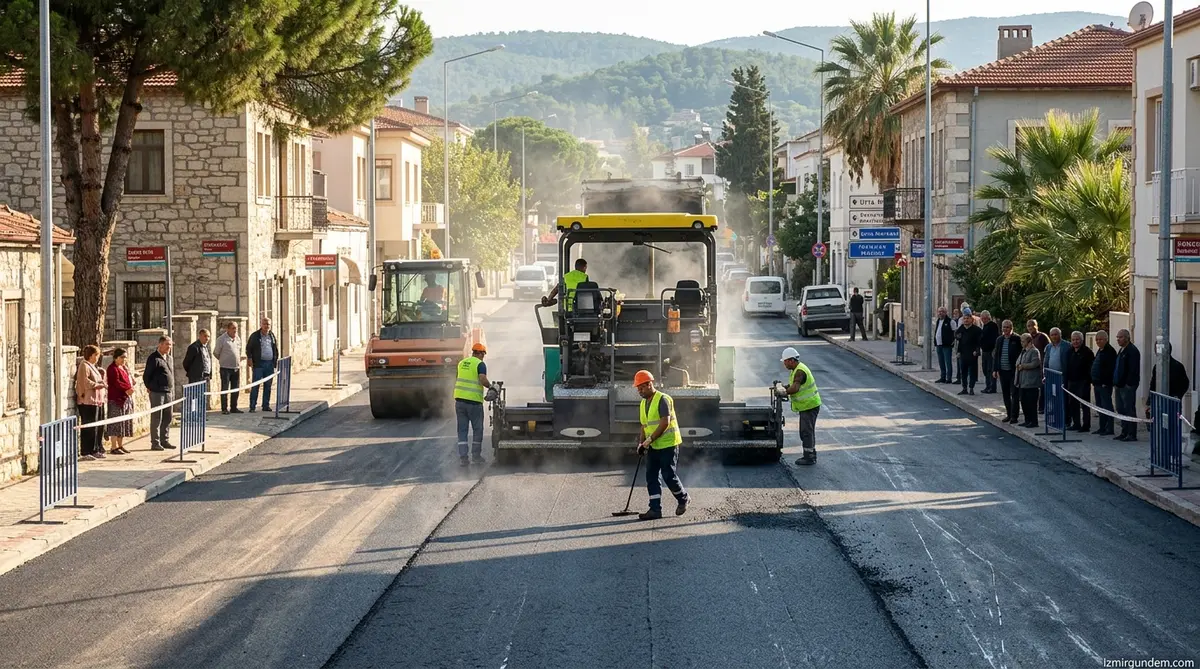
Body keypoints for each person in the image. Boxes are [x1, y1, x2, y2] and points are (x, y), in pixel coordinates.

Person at [633, 369, 689, 520]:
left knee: (668, 475)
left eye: (642, 387)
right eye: (638, 388)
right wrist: (641, 443)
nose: (640, 391)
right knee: (651, 476)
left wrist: (648, 441)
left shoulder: (663, 399)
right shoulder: (643, 403)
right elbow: (644, 425)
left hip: (668, 444)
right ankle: (655, 510)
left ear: (649, 384)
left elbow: (665, 422)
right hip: (653, 446)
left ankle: (683, 498)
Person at [778, 346, 821, 465]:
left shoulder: (800, 372)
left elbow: (795, 388)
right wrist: (785, 387)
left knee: (806, 431)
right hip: (808, 405)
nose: (784, 364)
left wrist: (784, 392)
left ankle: (809, 457)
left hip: (809, 405)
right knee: (808, 430)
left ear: (791, 360)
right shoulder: (796, 369)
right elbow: (794, 385)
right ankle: (811, 453)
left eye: (785, 362)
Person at [453, 342, 494, 467]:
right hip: (474, 402)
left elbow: (458, 378)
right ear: (480, 353)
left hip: (459, 402)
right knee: (477, 429)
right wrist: (491, 387)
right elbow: (482, 379)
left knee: (462, 430)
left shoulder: (461, 363)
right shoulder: (480, 364)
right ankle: (476, 457)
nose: (483, 357)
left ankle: (463, 458)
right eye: (483, 354)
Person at [75, 345, 108, 460]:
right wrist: (97, 385)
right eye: (96, 355)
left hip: (97, 401)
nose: (97, 357)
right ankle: (86, 451)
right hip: (88, 401)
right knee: (89, 427)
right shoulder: (84, 366)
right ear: (90, 355)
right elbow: (84, 381)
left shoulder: (93, 366)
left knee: (98, 426)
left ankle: (96, 449)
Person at [143, 336, 174, 451]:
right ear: (160, 345)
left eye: (170, 345)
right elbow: (147, 375)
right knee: (157, 417)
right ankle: (155, 442)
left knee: (168, 416)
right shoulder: (154, 358)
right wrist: (150, 387)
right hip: (157, 392)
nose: (169, 347)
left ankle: (164, 440)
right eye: (166, 344)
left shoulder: (169, 358)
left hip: (168, 392)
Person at [1064, 331, 1095, 433]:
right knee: (1073, 404)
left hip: (1083, 382)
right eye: (1073, 340)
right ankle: (1076, 424)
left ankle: (1086, 425)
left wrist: (1088, 380)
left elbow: (1091, 367)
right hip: (1071, 381)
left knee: (1085, 404)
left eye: (1077, 339)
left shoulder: (1087, 352)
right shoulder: (1069, 352)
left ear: (1082, 340)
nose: (1075, 342)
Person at [993, 319, 1023, 423]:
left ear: (1011, 328)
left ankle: (1014, 416)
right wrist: (995, 369)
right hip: (1002, 371)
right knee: (1005, 394)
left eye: (1007, 327)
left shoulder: (1017, 339)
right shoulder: (999, 339)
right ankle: (1009, 414)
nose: (1005, 329)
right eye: (1004, 327)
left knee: (1014, 394)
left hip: (1013, 371)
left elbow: (1021, 353)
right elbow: (996, 355)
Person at [105, 348, 135, 455]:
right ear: (116, 358)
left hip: (125, 399)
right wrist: (127, 389)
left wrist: (130, 387)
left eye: (125, 357)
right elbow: (116, 382)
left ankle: (120, 445)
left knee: (123, 423)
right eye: (122, 357)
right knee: (115, 423)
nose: (124, 359)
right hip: (116, 400)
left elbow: (128, 380)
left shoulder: (123, 368)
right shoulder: (112, 369)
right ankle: (113, 447)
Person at [1113, 329, 1140, 442]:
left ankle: (1131, 433)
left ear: (1127, 338)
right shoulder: (1121, 350)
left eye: (1120, 337)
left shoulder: (1132, 351)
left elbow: (1133, 370)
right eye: (1117, 337)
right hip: (1119, 385)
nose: (1118, 339)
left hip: (1127, 386)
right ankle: (1124, 431)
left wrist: (1128, 384)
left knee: (1129, 409)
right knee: (1120, 409)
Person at [246, 317, 278, 413]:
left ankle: (265, 405)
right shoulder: (255, 336)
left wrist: (275, 362)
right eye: (264, 324)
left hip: (269, 364)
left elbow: (275, 349)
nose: (266, 326)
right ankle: (252, 406)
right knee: (255, 385)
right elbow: (249, 348)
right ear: (261, 324)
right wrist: (250, 358)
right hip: (259, 364)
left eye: (268, 324)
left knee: (268, 386)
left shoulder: (272, 336)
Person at [213, 321, 244, 414]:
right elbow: (216, 353)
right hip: (225, 368)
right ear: (228, 329)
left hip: (236, 368)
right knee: (225, 388)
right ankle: (224, 408)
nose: (235, 330)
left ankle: (234, 407)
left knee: (235, 388)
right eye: (233, 328)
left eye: (236, 328)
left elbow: (239, 351)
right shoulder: (221, 339)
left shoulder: (238, 338)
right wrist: (224, 360)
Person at [1091, 330, 1118, 436]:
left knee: (1107, 406)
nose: (1098, 341)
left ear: (1106, 339)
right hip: (1097, 383)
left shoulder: (1110, 352)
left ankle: (1109, 428)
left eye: (1100, 339)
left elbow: (1110, 369)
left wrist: (1105, 382)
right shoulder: (1100, 350)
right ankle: (1102, 427)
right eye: (1097, 340)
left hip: (1104, 384)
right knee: (1099, 406)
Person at [1015, 333, 1042, 428]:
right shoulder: (1023, 351)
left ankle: (1033, 421)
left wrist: (1023, 366)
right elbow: (1018, 362)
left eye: (1023, 341)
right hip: (1023, 382)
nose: (1021, 343)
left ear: (1029, 342)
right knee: (1024, 402)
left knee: (1032, 403)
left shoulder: (1034, 351)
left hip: (1031, 382)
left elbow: (1035, 363)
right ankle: (1027, 420)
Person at [956, 314, 982, 395]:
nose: (966, 320)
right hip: (963, 353)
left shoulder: (976, 330)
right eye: (964, 318)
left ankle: (971, 388)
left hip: (972, 353)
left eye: (968, 318)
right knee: (963, 371)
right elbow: (958, 338)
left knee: (972, 371)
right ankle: (964, 388)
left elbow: (979, 341)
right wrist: (958, 352)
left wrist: (977, 351)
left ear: (972, 320)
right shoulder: (961, 328)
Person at [979, 311, 999, 393]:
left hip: (991, 350)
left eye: (985, 318)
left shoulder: (993, 325)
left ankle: (992, 387)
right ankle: (987, 386)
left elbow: (995, 338)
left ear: (988, 318)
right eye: (982, 318)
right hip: (985, 350)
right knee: (985, 369)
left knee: (990, 369)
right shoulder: (984, 326)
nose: (983, 320)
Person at [934, 307, 955, 384]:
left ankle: (949, 378)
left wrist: (951, 342)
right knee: (941, 361)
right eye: (939, 311)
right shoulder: (938, 321)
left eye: (942, 311)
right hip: (939, 344)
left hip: (947, 345)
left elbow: (955, 332)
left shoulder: (950, 321)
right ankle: (942, 377)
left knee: (948, 362)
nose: (940, 313)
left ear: (946, 313)